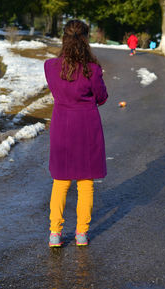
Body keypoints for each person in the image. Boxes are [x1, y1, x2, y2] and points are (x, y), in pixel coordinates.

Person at [44, 19, 108, 247]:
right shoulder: (92, 69)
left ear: (64, 37)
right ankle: (81, 233)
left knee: (60, 181)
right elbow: (101, 97)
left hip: (62, 125)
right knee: (85, 182)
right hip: (87, 126)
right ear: (85, 38)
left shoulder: (50, 66)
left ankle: (55, 234)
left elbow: (55, 90)